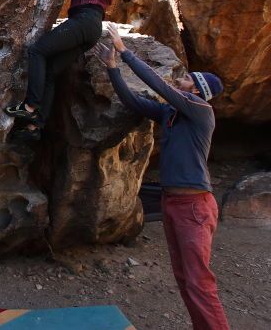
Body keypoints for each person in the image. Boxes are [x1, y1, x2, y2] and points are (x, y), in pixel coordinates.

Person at [93, 23, 230, 330]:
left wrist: (124, 51)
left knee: (199, 282)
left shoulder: (200, 110)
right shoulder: (171, 115)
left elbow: (160, 87)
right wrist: (113, 68)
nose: (178, 78)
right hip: (174, 204)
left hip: (195, 207)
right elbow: (133, 102)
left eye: (185, 78)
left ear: (195, 90)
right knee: (185, 278)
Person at [5, 0, 140, 140]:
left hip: (83, 19)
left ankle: (29, 108)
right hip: (92, 28)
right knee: (50, 71)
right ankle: (35, 127)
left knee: (37, 51)